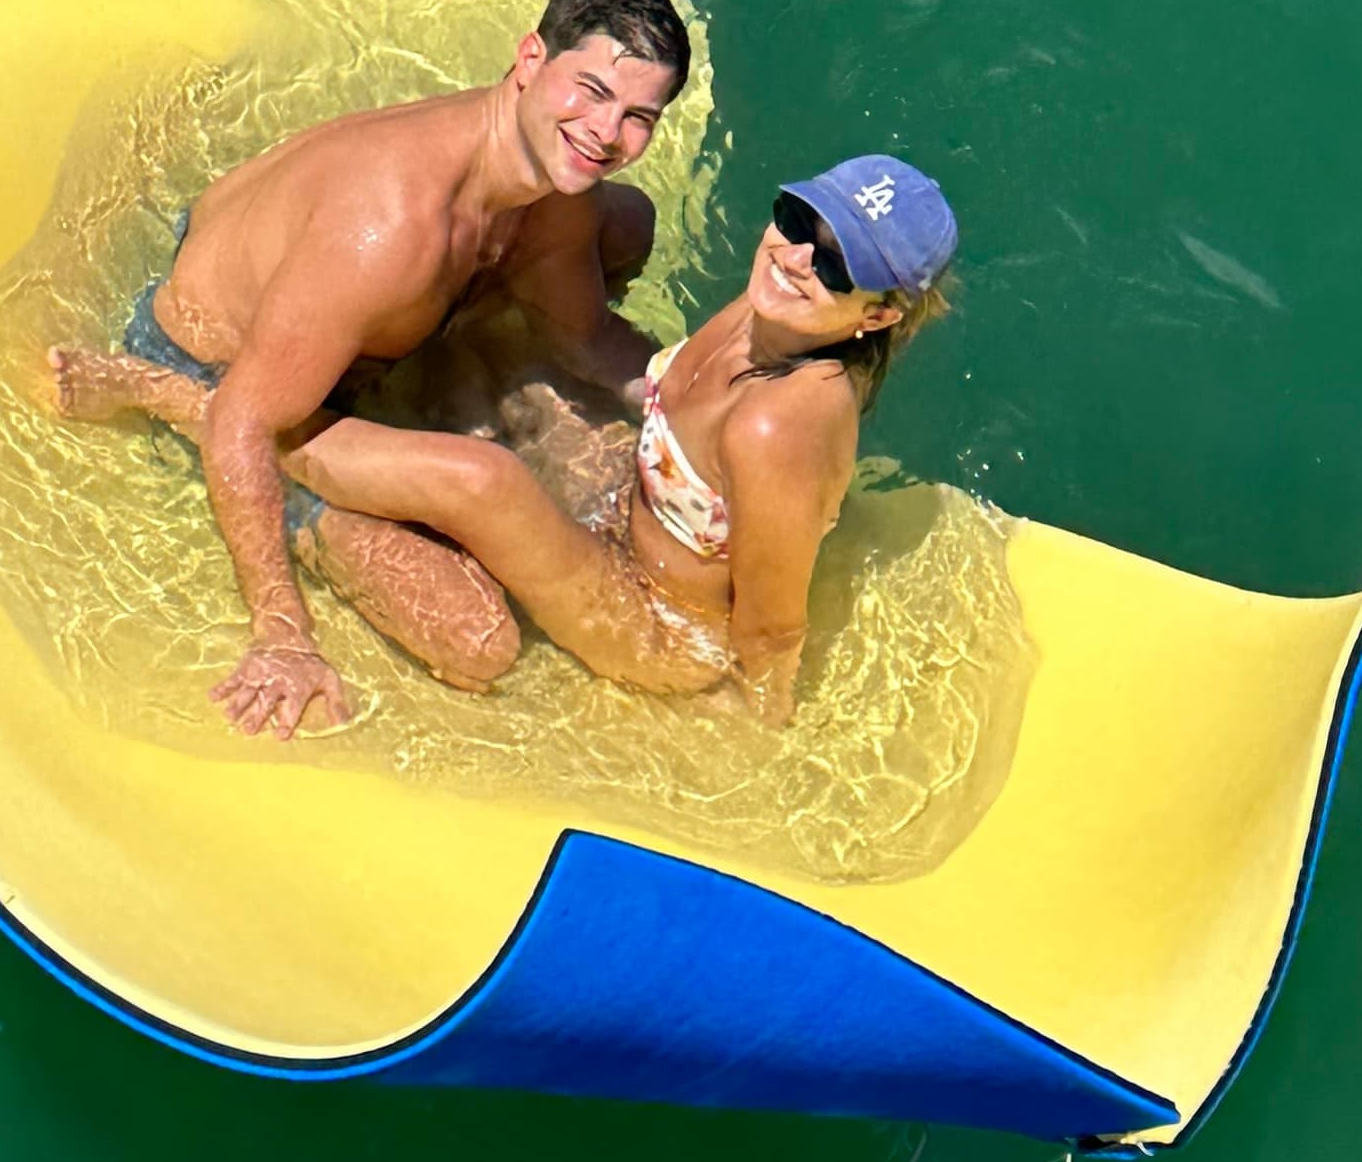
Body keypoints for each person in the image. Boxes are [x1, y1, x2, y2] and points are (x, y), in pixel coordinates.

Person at [84, 153, 957, 733]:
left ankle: (201, 406)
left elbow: (768, 624)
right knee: (500, 343)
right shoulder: (766, 306)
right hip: (626, 504)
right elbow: (651, 379)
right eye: (800, 220)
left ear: (878, 314)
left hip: (654, 624)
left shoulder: (780, 422)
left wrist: (758, 733)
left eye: (838, 265)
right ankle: (312, 402)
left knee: (484, 487)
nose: (799, 256)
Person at [46, 0, 695, 730]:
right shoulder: (389, 230)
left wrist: (693, 410)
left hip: (317, 303)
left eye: (637, 116)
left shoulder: (546, 181)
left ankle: (422, 363)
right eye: (589, 90)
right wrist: (282, 632)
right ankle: (163, 395)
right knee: (474, 637)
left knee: (626, 225)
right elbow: (245, 423)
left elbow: (584, 335)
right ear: (528, 62)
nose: (607, 133)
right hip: (221, 369)